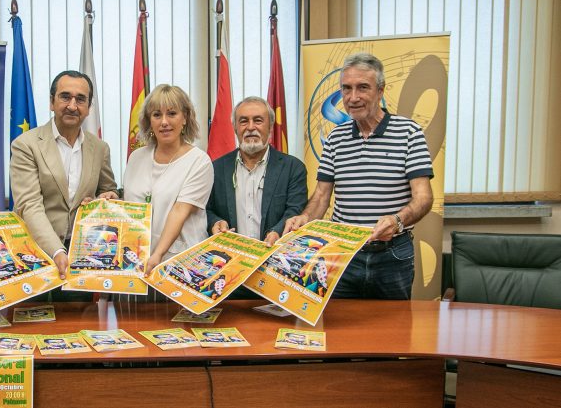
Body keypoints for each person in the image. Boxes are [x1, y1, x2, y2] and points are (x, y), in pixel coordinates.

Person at [284, 52, 434, 300]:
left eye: (362, 88)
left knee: (391, 331)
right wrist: (304, 218)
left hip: (392, 254)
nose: (353, 97)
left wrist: (397, 220)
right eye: (346, 89)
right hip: (342, 255)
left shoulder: (409, 132)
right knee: (339, 330)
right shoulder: (335, 138)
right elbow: (322, 196)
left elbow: (423, 197)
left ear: (380, 91)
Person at [11, 70, 119, 285]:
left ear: (88, 107)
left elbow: (108, 190)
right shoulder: (26, 145)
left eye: (80, 99)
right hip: (35, 255)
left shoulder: (99, 148)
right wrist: (57, 250)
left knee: (80, 319)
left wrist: (108, 198)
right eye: (65, 97)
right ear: (52, 102)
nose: (72, 105)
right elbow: (29, 205)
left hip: (84, 257)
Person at [123, 85, 214, 284]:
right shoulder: (136, 157)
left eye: (172, 114)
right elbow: (130, 207)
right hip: (136, 264)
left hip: (181, 266)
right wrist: (110, 202)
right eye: (157, 115)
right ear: (149, 121)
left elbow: (179, 211)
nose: (164, 122)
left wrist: (157, 255)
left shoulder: (199, 161)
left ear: (185, 118)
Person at [206, 96, 308, 246]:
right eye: (243, 121)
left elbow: (295, 210)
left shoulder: (293, 168)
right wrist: (215, 222)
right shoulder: (215, 168)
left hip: (276, 255)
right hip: (231, 259)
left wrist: (277, 231)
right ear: (235, 128)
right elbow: (205, 210)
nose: (250, 127)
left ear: (271, 126)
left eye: (258, 120)